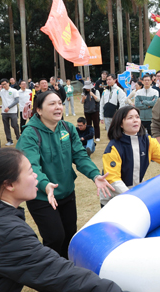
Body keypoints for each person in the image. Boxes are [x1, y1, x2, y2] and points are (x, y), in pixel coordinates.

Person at [0, 148, 123, 292]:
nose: (36, 175)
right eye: (30, 171)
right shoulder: (6, 233)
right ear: (9, 185)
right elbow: (60, 275)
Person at [16, 91, 114, 258]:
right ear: (39, 110)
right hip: (42, 196)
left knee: (69, 235)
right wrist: (45, 185)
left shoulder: (68, 128)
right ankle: (50, 274)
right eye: (52, 104)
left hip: (67, 193)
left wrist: (95, 175)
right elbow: (30, 166)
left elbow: (80, 155)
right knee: (54, 238)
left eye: (60, 103)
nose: (58, 107)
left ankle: (66, 272)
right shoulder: (30, 134)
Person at [101, 106, 160, 206]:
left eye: (137, 117)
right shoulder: (113, 148)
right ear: (120, 123)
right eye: (130, 118)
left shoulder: (148, 141)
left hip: (136, 194)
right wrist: (133, 197)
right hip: (114, 198)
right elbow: (113, 180)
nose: (135, 120)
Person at [0, 78, 20, 146]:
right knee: (6, 126)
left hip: (13, 111)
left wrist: (9, 107)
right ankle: (9, 140)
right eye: (2, 85)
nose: (4, 86)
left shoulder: (14, 90)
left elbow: (16, 101)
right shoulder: (2, 91)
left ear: (8, 83)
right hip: (4, 112)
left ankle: (18, 138)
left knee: (14, 125)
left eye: (5, 84)